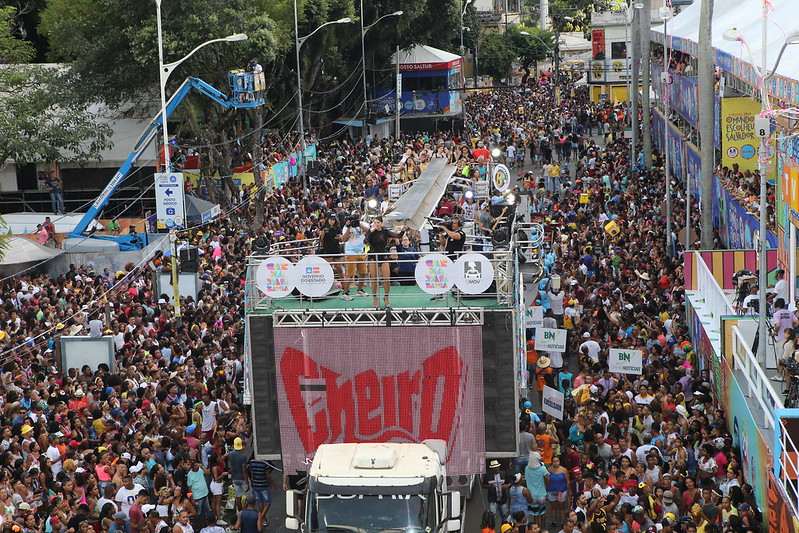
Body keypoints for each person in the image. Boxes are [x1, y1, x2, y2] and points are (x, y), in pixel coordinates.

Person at [364, 217, 406, 309]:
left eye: (378, 222)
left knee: (386, 278)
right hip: (373, 255)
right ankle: (375, 298)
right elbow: (365, 241)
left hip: (383, 255)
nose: (377, 224)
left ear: (382, 223)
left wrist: (402, 231)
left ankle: (386, 297)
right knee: (374, 278)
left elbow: (397, 236)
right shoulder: (370, 231)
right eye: (375, 222)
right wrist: (370, 232)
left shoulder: (385, 231)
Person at [339, 212, 370, 300]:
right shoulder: (346, 227)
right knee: (350, 274)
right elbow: (345, 239)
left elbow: (369, 230)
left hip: (361, 251)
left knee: (363, 272)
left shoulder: (362, 224)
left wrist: (359, 225)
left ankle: (360, 289)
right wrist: (349, 227)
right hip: (350, 252)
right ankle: (345, 293)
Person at [247, 458, 272, 527]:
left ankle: (264, 519)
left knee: (260, 502)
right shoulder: (265, 463)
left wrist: (253, 481)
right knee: (268, 502)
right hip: (264, 485)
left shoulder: (252, 462)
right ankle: (261, 518)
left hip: (255, 485)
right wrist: (271, 483)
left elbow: (251, 473)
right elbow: (268, 475)